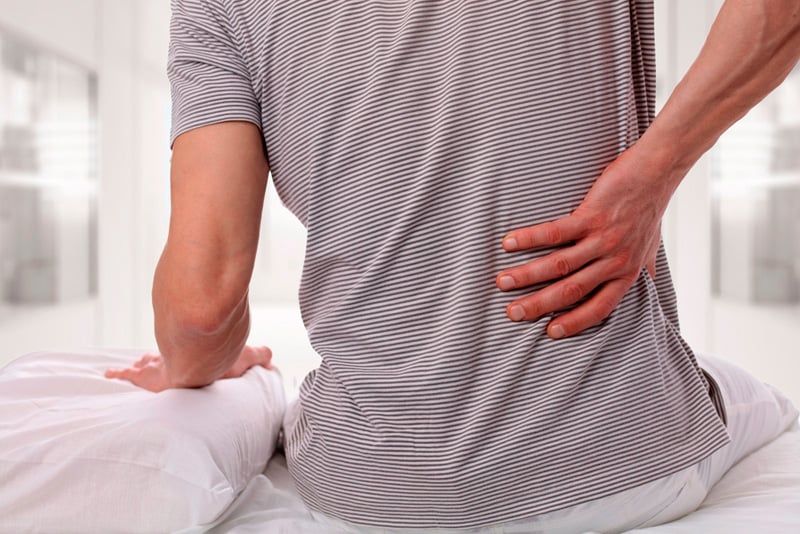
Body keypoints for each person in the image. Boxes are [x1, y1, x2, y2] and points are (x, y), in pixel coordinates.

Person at [104, 0, 800, 531]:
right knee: (766, 404)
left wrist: (200, 360)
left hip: (371, 497)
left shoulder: (214, 9)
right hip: (631, 469)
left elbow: (201, 311)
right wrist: (655, 173)